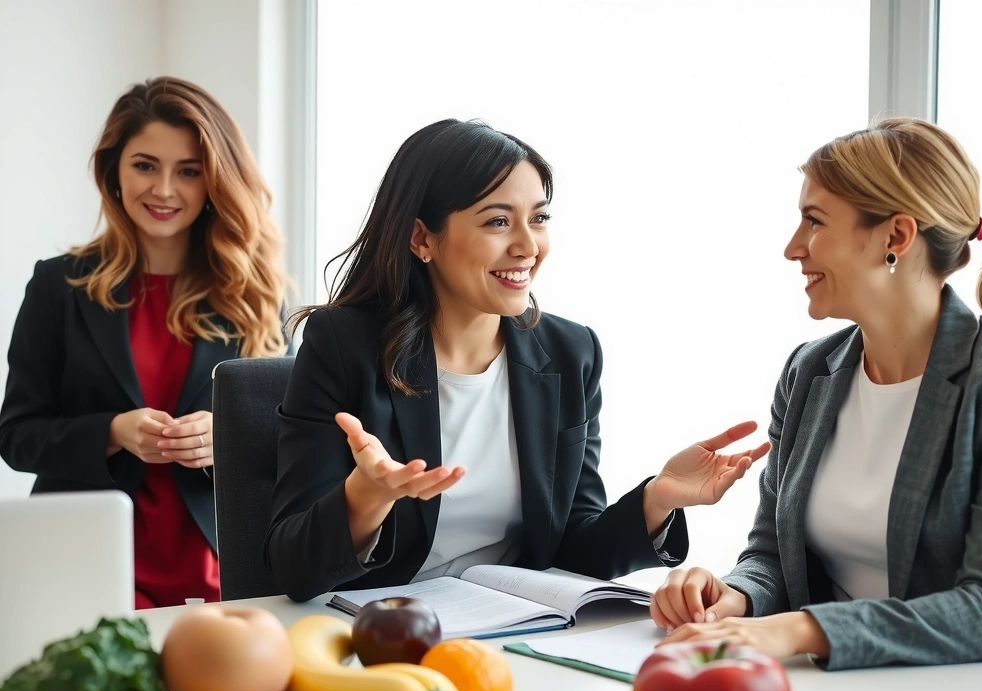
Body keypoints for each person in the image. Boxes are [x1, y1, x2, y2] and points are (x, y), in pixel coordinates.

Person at [265, 119, 769, 602]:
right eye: (498, 222)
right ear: (422, 238)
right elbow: (291, 566)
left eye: (540, 218)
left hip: (511, 630)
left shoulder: (571, 353)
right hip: (383, 634)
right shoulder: (343, 344)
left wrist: (656, 500)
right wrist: (366, 497)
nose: (528, 246)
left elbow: (571, 548)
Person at [652, 117, 982, 670]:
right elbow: (774, 556)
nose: (792, 248)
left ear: (895, 237)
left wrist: (802, 630)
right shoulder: (809, 371)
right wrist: (734, 596)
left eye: (814, 221)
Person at [0, 76, 289, 608]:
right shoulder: (57, 287)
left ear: (214, 181)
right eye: (144, 165)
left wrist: (225, 439)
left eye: (188, 171)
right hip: (85, 569)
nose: (163, 190)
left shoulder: (258, 294)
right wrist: (111, 432)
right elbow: (16, 435)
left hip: (221, 575)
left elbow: (296, 440)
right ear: (113, 170)